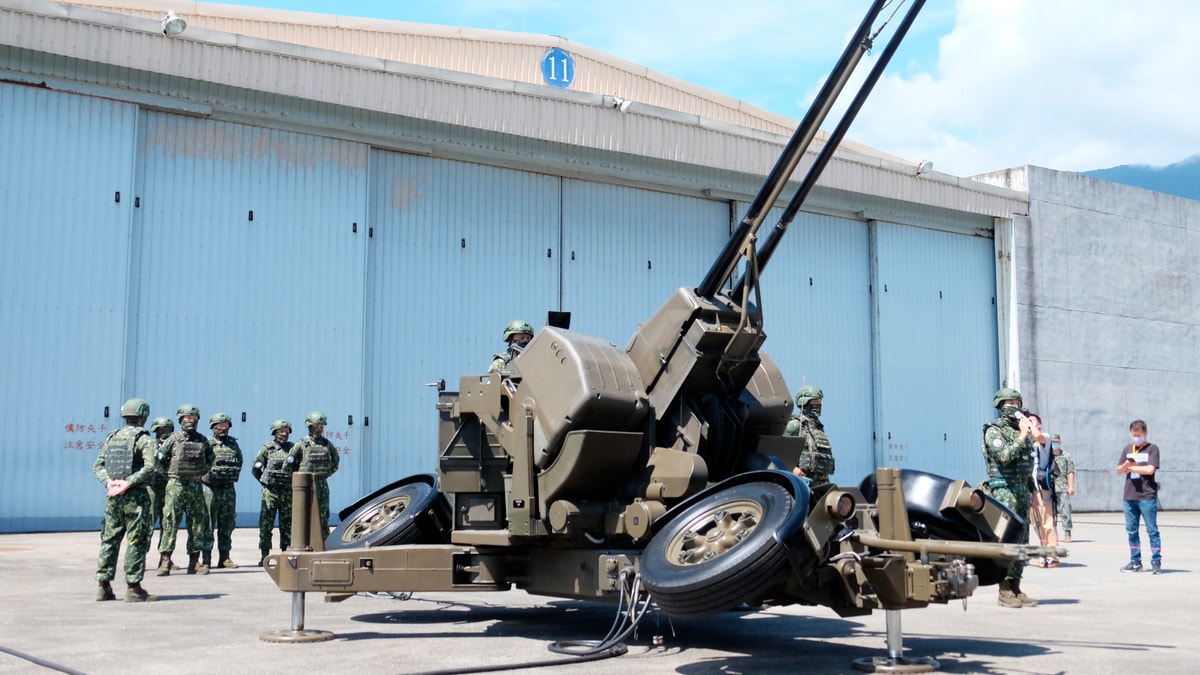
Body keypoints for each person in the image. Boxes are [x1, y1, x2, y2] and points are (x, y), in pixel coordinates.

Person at [93, 398, 161, 602]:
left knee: (109, 540)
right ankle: (133, 587)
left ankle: (103, 586)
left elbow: (97, 466)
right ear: (143, 416)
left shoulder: (112, 437)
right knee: (136, 540)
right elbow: (150, 467)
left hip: (114, 498)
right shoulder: (145, 440)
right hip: (136, 496)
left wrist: (110, 483)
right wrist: (128, 483)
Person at [981, 387, 1039, 608]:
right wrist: (1023, 435)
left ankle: (1016, 586)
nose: (1013, 406)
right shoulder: (994, 431)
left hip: (1022, 489)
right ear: (1000, 406)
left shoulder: (1020, 429)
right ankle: (1004, 590)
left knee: (1023, 540)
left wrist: (1032, 490)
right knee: (1007, 539)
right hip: (1004, 489)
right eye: (1008, 402)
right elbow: (1004, 457)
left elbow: (1027, 464)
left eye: (1016, 401)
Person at [155, 404, 215, 576]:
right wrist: (169, 475)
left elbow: (210, 458)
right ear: (181, 419)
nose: (191, 421)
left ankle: (194, 562)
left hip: (195, 486)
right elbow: (158, 460)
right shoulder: (172, 439)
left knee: (196, 524)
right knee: (170, 522)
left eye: (194, 418)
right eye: (187, 417)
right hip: (176, 486)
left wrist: (201, 473)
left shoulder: (202, 440)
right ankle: (165, 560)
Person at [1117, 420, 1161, 574]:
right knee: (1131, 530)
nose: (1136, 438)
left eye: (1139, 435)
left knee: (1152, 530)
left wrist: (1132, 467)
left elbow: (1150, 470)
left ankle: (1156, 561)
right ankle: (1135, 561)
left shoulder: (1152, 449)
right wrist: (1126, 466)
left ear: (1145, 433)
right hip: (1129, 496)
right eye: (1134, 435)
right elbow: (1119, 470)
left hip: (1147, 496)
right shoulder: (1128, 449)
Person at [288, 411, 340, 537]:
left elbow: (335, 462)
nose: (319, 429)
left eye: (321, 426)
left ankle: (323, 544)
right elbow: (288, 464)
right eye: (316, 426)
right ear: (309, 426)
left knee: (323, 515)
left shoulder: (327, 444)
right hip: (305, 486)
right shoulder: (301, 444)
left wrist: (325, 474)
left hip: (321, 484)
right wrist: (299, 480)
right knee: (302, 515)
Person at [252, 419, 296, 565]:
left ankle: (286, 554)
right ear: (274, 432)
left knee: (287, 525)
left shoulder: (294, 448)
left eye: (286, 430)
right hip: (270, 492)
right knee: (266, 524)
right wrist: (265, 483)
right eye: (281, 430)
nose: (284, 433)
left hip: (287, 492)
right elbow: (256, 468)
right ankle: (264, 556)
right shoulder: (267, 448)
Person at [203, 412, 243, 570]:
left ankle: (224, 558)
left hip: (228, 489)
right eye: (220, 425)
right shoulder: (207, 443)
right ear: (213, 427)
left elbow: (239, 461)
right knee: (208, 525)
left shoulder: (233, 444)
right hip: (210, 489)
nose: (224, 428)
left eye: (226, 425)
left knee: (227, 524)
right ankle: (206, 559)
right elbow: (199, 463)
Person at [1023, 410, 1057, 568]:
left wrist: (1027, 421)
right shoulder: (1026, 443)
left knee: (1047, 522)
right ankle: (1044, 554)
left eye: (1033, 421)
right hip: (1030, 489)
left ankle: (1053, 556)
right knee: (1036, 523)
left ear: (1039, 424)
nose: (1029, 423)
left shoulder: (1044, 439)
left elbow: (1038, 436)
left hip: (1042, 489)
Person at [783, 385, 834, 487]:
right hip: (803, 482)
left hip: (822, 482)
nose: (818, 404)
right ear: (804, 402)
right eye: (815, 401)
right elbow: (779, 451)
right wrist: (792, 468)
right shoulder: (795, 425)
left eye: (819, 401)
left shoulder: (818, 426)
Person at [147, 416, 175, 554]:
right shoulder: (150, 445)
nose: (166, 431)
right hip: (152, 489)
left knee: (168, 524)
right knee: (148, 524)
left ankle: (165, 558)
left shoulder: (175, 445)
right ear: (156, 430)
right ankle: (139, 558)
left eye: (168, 428)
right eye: (162, 429)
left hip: (169, 488)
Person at [1050, 434, 1076, 543]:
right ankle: (1051, 534)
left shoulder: (1065, 456)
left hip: (1063, 487)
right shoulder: (1047, 456)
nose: (1054, 444)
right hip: (1049, 486)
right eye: (1052, 442)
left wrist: (1071, 486)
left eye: (1056, 442)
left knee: (1065, 509)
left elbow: (1071, 471)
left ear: (1060, 442)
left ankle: (1067, 531)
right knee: (1049, 512)